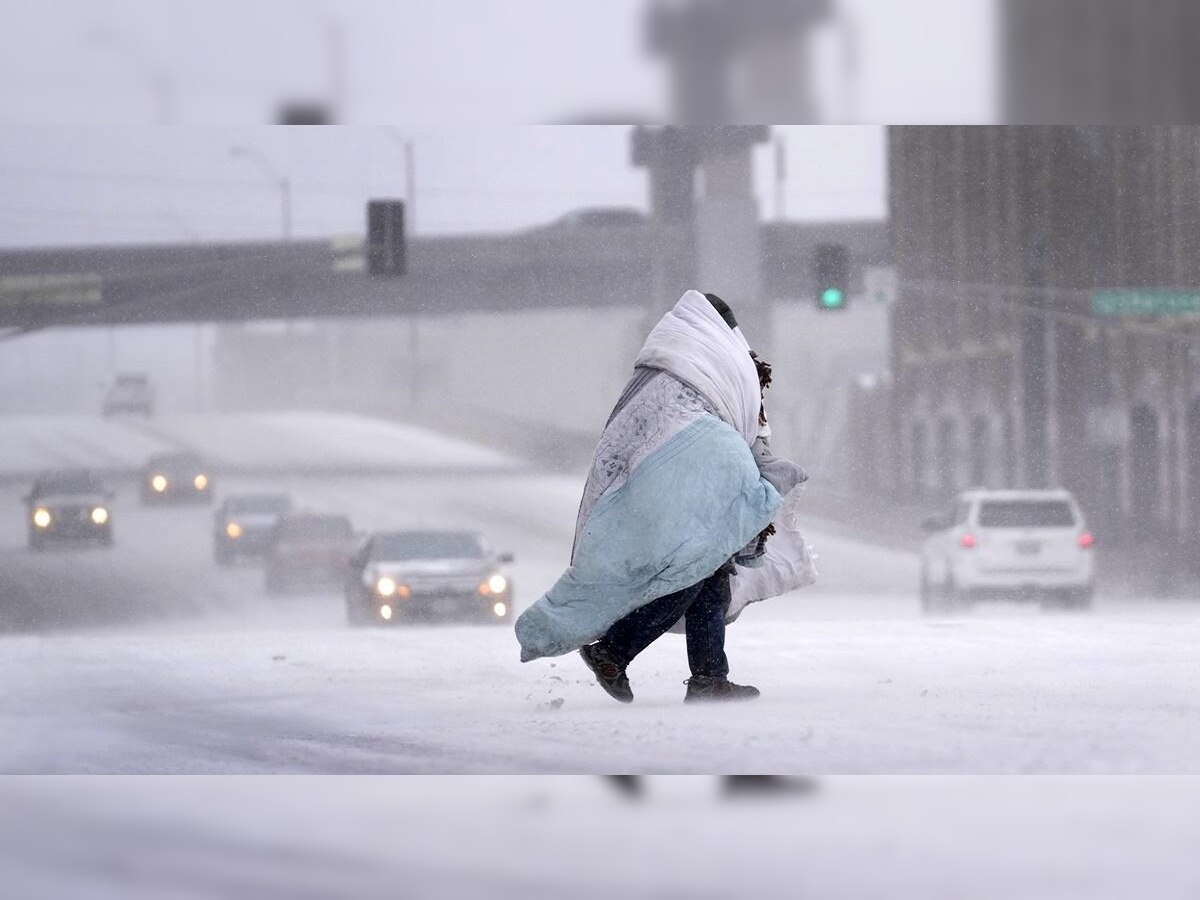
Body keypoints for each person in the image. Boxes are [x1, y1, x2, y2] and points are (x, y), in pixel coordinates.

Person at [515, 290, 806, 703]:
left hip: (660, 485)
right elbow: (721, 428)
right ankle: (614, 651)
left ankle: (709, 677)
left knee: (709, 576)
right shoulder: (718, 364)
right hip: (682, 486)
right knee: (690, 572)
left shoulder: (665, 367)